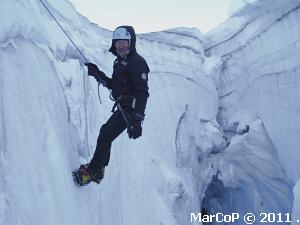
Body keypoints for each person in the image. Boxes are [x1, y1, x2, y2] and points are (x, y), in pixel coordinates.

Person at [73, 25, 150, 186]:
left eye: (125, 42)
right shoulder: (120, 62)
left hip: (130, 109)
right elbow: (115, 86)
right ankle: (99, 170)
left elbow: (142, 92)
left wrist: (137, 119)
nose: (121, 45)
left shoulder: (137, 63)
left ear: (131, 43)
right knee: (105, 132)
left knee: (106, 136)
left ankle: (92, 172)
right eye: (118, 42)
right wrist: (97, 74)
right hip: (123, 107)